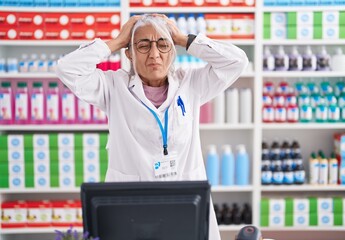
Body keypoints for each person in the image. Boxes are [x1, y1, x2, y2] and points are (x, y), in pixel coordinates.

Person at [56, 14, 248, 240]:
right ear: (129, 53)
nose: (154, 54)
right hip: (131, 204)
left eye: (163, 44)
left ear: (173, 50)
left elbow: (237, 62)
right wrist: (117, 41)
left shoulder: (192, 83)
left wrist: (183, 38)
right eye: (143, 45)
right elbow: (67, 69)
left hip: (185, 201)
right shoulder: (113, 86)